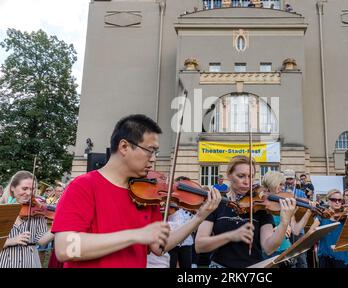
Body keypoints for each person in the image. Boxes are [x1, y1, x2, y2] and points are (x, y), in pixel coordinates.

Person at [52, 114, 222, 268]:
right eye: (150, 151)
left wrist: (199, 217)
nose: (154, 158)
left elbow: (158, 247)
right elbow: (65, 248)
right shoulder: (83, 186)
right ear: (124, 146)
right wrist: (135, 235)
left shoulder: (147, 194)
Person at [195, 155, 297, 268]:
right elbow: (199, 246)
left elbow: (268, 248)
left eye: (251, 176)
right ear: (229, 175)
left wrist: (284, 223)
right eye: (241, 176)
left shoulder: (260, 207)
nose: (247, 182)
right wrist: (231, 236)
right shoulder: (217, 203)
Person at [0, 171, 54, 267]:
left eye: (32, 189)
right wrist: (11, 240)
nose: (29, 193)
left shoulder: (37, 211)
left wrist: (59, 226)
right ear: (12, 187)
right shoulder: (2, 209)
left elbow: (41, 240)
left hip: (30, 262)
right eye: (24, 188)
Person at [260, 171, 313, 268]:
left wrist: (308, 212)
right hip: (270, 254)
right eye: (280, 184)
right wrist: (276, 230)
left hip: (286, 251)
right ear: (272, 183)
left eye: (283, 185)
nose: (282, 187)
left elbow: (296, 231)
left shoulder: (283, 204)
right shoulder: (261, 205)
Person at [308, 189, 348, 268]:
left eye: (340, 200)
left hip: (341, 255)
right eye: (334, 200)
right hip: (325, 255)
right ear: (328, 201)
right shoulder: (322, 216)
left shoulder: (345, 216)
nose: (337, 202)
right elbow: (311, 231)